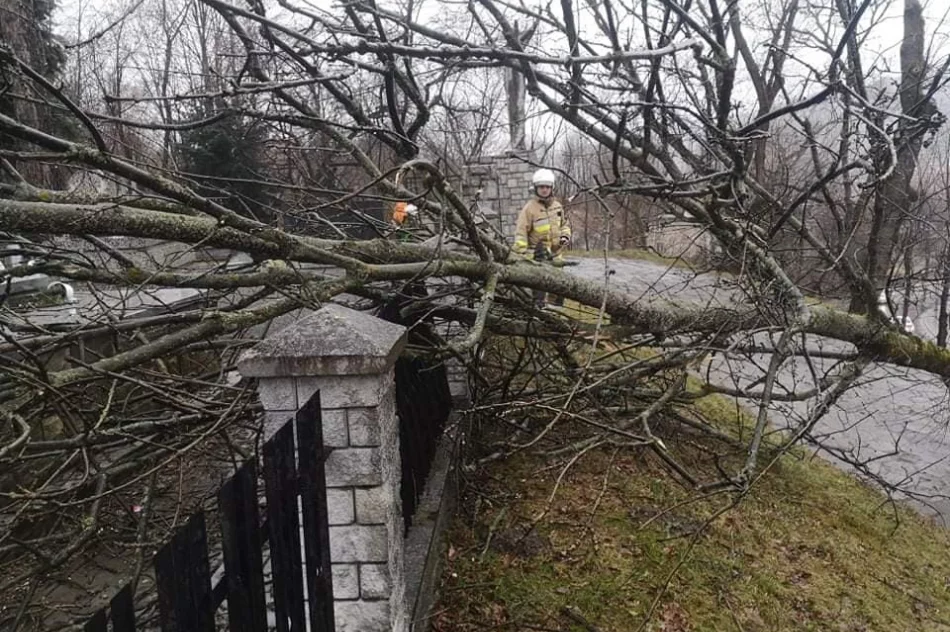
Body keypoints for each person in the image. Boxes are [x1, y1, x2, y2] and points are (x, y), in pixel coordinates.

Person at [513, 168, 571, 307]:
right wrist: (520, 257)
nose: (544, 190)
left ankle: (556, 316)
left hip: (556, 256)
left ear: (552, 188)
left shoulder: (557, 207)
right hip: (537, 257)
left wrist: (565, 236)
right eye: (541, 187)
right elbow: (521, 233)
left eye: (547, 187)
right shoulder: (529, 209)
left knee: (558, 290)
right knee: (539, 292)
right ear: (536, 188)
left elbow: (565, 225)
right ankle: (540, 314)